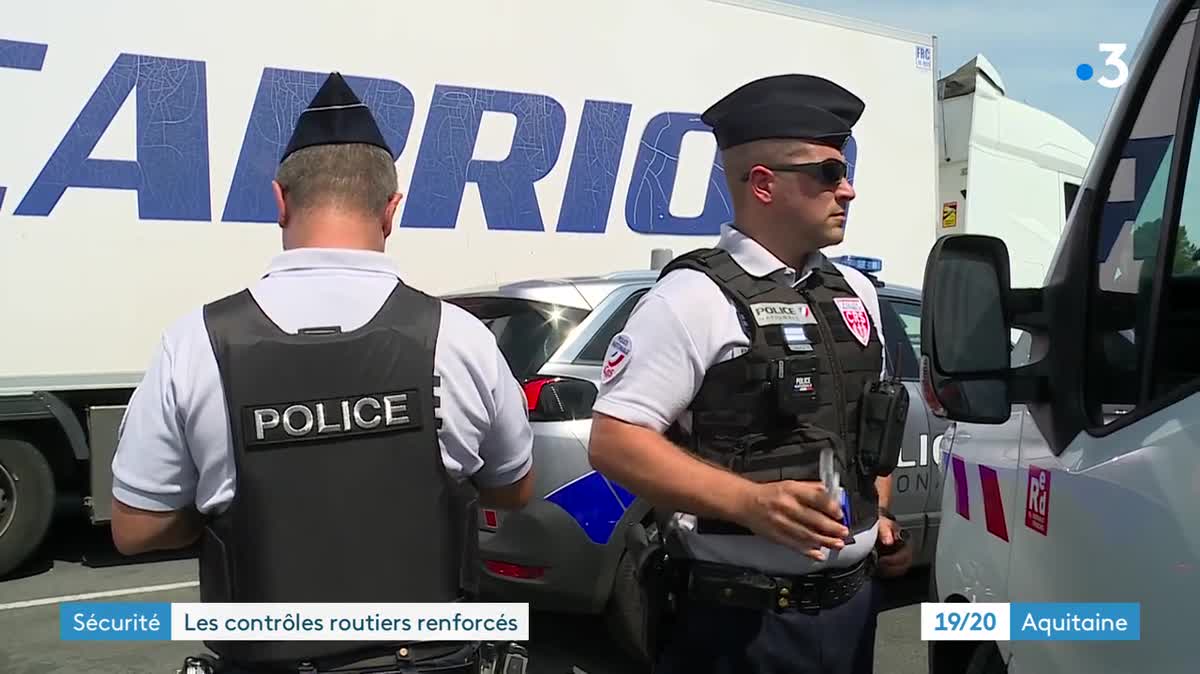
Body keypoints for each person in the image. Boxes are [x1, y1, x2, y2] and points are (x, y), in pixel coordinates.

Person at [109, 72, 535, 674]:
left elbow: (135, 528)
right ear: (391, 210)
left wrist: (228, 516)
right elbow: (514, 488)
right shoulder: (462, 338)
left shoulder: (195, 344)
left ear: (280, 201)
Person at [587, 73, 913, 674]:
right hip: (738, 629)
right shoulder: (692, 298)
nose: (848, 190)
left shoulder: (857, 293)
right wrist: (749, 502)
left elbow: (868, 422)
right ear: (763, 184)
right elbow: (615, 441)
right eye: (827, 173)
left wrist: (880, 516)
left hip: (852, 615)